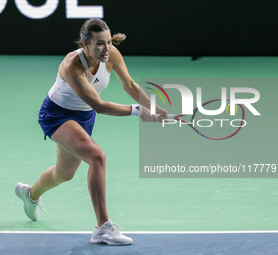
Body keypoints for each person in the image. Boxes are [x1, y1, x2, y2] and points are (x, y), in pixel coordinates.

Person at [15, 18, 167, 246]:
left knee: (64, 174)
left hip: (84, 117)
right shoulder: (71, 65)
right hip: (57, 115)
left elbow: (130, 85)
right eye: (99, 44)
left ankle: (30, 194)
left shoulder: (111, 54)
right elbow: (99, 105)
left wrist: (154, 107)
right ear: (85, 44)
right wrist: (138, 111)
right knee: (97, 157)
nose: (106, 49)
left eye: (108, 42)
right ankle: (103, 228)